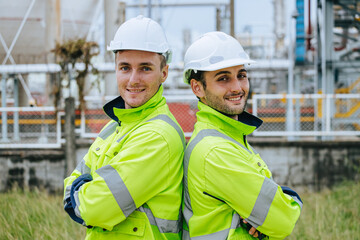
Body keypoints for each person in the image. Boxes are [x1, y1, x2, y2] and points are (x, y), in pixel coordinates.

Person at [63, 15, 185, 240]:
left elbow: (95, 208)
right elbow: (70, 183)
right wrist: (82, 190)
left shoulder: (158, 136)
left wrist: (81, 190)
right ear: (116, 70)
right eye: (125, 68)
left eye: (145, 69)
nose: (133, 79)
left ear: (164, 73)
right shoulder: (114, 127)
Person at [182, 31, 302, 240]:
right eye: (223, 79)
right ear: (197, 87)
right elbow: (283, 220)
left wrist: (264, 211)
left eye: (241, 75)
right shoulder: (216, 151)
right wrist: (291, 198)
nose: (237, 87)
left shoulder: (229, 137)